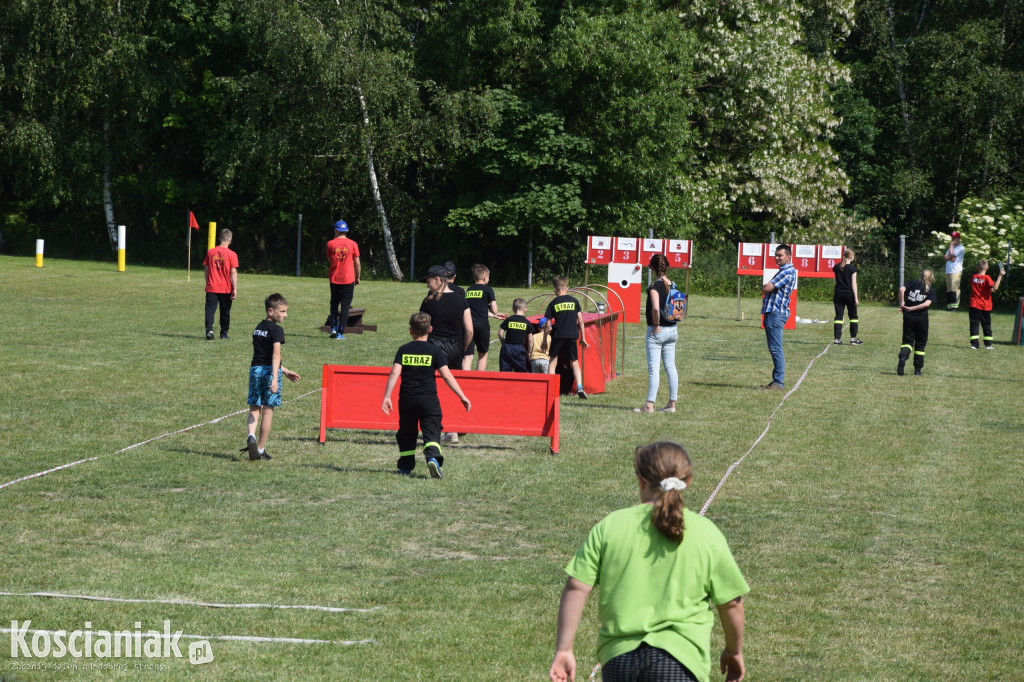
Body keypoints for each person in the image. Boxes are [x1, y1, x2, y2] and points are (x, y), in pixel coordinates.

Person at [549, 441, 748, 682]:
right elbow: (732, 603)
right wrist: (733, 650)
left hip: (619, 662)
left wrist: (564, 649)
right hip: (679, 663)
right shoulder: (706, 533)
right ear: (688, 481)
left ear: (640, 480)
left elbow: (576, 587)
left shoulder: (610, 525)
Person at [381, 312, 471, 479]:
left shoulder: (404, 350)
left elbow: (394, 373)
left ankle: (405, 466)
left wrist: (387, 396)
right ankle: (432, 457)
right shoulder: (435, 351)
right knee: (432, 429)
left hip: (407, 399)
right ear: (430, 329)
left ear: (410, 331)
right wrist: (461, 395)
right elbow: (447, 375)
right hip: (428, 400)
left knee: (407, 432)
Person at [243, 294, 300, 461]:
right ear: (270, 311)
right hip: (269, 373)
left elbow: (263, 356)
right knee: (268, 411)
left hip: (255, 370)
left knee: (254, 408)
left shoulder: (258, 328)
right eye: (282, 311)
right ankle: (260, 449)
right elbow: (275, 356)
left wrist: (286, 371)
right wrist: (275, 377)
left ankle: (250, 436)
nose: (285, 315)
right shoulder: (277, 330)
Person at [636, 253, 678, 413]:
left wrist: (655, 325)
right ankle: (671, 404)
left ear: (651, 268)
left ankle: (649, 405)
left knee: (654, 369)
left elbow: (655, 307)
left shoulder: (654, 286)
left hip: (658, 331)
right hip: (673, 330)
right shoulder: (673, 284)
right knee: (671, 367)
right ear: (667, 267)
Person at [542, 277, 590, 399]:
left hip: (558, 335)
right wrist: (583, 338)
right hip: (572, 335)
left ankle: (551, 389)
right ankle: (579, 387)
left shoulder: (553, 303)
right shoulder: (574, 301)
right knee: (574, 362)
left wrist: (544, 340)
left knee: (553, 362)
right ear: (567, 288)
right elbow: (581, 320)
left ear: (555, 290)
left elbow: (547, 324)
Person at [760, 245, 796, 390]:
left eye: (780, 255)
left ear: (788, 257)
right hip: (773, 312)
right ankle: (776, 380)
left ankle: (778, 382)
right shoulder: (783, 271)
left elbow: (767, 288)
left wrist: (765, 287)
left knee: (776, 348)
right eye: (776, 255)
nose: (777, 258)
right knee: (774, 347)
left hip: (776, 313)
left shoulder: (786, 272)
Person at [326, 220, 361, 340]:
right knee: (345, 306)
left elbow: (330, 260)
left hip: (335, 278)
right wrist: (357, 277)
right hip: (348, 279)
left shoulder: (330, 243)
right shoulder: (353, 244)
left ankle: (333, 328)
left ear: (336, 230)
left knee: (334, 303)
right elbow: (357, 263)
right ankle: (340, 333)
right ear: (346, 231)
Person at [897, 269, 936, 376]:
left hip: (908, 317)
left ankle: (903, 357)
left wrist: (902, 303)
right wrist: (914, 308)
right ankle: (917, 370)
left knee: (908, 341)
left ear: (921, 276)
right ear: (931, 279)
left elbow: (901, 290)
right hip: (922, 318)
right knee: (920, 344)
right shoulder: (931, 290)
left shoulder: (912, 282)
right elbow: (927, 304)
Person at [463, 264, 501, 370]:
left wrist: (493, 315)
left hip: (468, 325)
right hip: (482, 325)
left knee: (468, 355)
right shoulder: (488, 289)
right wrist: (492, 310)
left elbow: (472, 309)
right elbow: (495, 310)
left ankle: (464, 380)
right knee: (482, 354)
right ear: (485, 277)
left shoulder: (469, 290)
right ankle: (477, 382)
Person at [203, 228, 238, 340]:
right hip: (226, 287)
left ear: (219, 239)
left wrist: (208, 282)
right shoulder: (232, 254)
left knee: (210, 310)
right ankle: (224, 333)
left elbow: (206, 269)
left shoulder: (210, 252)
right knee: (225, 311)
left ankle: (209, 330)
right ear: (230, 240)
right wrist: (235, 288)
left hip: (212, 286)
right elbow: (233, 272)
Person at [968, 259, 1004, 349]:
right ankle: (988, 344)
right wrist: (1000, 275)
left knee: (974, 324)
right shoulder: (987, 278)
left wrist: (989, 288)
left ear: (977, 267)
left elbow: (977, 286)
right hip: (985, 306)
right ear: (987, 267)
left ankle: (974, 344)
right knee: (986, 325)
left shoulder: (973, 277)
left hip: (974, 304)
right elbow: (995, 287)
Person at [832, 248, 862, 345]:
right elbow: (854, 284)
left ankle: (837, 339)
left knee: (838, 316)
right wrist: (856, 298)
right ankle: (853, 338)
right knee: (853, 316)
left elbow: (838, 271)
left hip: (838, 294)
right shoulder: (853, 269)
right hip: (849, 294)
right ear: (852, 257)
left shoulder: (836, 267)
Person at [498, 298, 533, 373]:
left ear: (513, 309)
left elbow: (500, 333)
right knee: (521, 372)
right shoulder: (527, 322)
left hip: (507, 347)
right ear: (525, 309)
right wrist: (529, 351)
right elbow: (530, 339)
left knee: (505, 372)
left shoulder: (508, 319)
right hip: (519, 348)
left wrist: (503, 343)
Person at [943, 231, 965, 310]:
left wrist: (951, 246)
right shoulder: (951, 248)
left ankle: (955, 306)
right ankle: (950, 306)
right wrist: (950, 257)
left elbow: (952, 255)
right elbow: (945, 258)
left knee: (954, 289)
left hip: (955, 271)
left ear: (958, 239)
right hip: (948, 271)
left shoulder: (961, 248)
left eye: (954, 238)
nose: (952, 240)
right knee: (949, 289)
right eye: (952, 238)